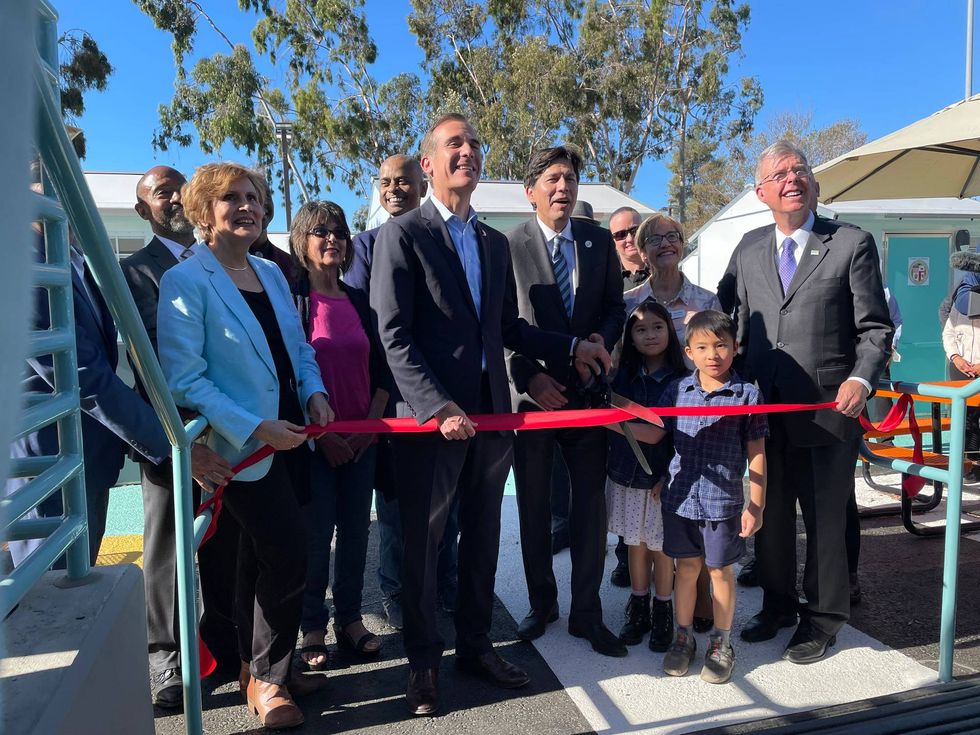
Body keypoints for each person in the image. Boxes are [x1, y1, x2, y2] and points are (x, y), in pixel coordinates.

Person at [370, 114, 611, 716]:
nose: (468, 152)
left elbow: (507, 329)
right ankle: (424, 665)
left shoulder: (492, 243)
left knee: (481, 538)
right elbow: (392, 335)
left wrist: (570, 347)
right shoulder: (402, 235)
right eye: (455, 144)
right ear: (427, 163)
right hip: (431, 424)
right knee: (425, 551)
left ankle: (475, 647)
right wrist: (435, 405)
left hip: (491, 422)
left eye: (474, 144)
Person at [158, 162, 333, 729]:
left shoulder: (273, 274)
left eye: (254, 197)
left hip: (291, 438)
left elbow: (298, 350)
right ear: (204, 209)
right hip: (242, 450)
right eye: (231, 197)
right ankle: (269, 678)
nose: (247, 206)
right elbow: (185, 379)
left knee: (259, 559)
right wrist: (258, 427)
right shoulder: (186, 280)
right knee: (285, 555)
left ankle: (259, 667)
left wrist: (315, 393)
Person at [732, 141, 892, 664]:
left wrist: (861, 381)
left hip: (829, 411)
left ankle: (822, 618)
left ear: (815, 185)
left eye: (799, 170)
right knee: (770, 515)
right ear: (761, 193)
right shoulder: (748, 249)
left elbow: (875, 328)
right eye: (778, 174)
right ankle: (776, 604)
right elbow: (729, 321)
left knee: (825, 519)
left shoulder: (851, 243)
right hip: (763, 411)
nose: (791, 179)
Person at [121, 165, 239, 706]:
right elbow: (151, 362)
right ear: (143, 210)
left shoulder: (221, 265)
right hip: (171, 437)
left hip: (230, 435)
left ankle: (224, 647)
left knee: (226, 544)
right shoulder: (134, 272)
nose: (173, 198)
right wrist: (181, 442)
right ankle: (168, 662)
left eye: (179, 189)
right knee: (169, 546)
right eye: (160, 193)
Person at [507, 145, 627, 657]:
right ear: (530, 190)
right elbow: (503, 327)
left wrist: (596, 345)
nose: (563, 188)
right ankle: (543, 603)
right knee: (534, 506)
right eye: (553, 179)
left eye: (571, 178)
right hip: (535, 398)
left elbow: (614, 310)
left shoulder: (600, 244)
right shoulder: (506, 246)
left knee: (588, 509)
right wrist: (529, 380)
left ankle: (586, 613)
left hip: (589, 396)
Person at [345, 154, 457, 630]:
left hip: (445, 396)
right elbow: (371, 327)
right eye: (386, 182)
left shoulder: (445, 238)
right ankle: (394, 589)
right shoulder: (365, 246)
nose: (394, 189)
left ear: (422, 183)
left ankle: (444, 584)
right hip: (389, 400)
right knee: (394, 510)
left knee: (446, 505)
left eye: (404, 182)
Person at [289, 200, 389, 669]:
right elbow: (287, 376)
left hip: (363, 442)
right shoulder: (293, 302)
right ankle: (312, 625)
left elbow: (383, 371)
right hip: (315, 446)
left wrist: (369, 428)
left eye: (340, 232)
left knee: (355, 536)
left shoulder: (361, 302)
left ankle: (349, 619)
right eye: (320, 232)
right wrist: (320, 437)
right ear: (302, 241)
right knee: (314, 537)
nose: (332, 239)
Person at [654, 310, 768, 684]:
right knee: (685, 569)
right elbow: (659, 439)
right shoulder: (676, 390)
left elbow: (756, 451)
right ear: (688, 352)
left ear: (735, 347)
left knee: (720, 570)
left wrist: (756, 502)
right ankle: (683, 635)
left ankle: (722, 642)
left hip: (723, 502)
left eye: (721, 345)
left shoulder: (748, 394)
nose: (713, 354)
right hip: (680, 499)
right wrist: (610, 418)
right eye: (702, 347)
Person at [606, 300, 687, 653]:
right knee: (635, 545)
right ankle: (638, 606)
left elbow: (659, 434)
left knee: (661, 548)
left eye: (657, 326)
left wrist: (597, 420)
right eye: (640, 329)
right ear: (630, 337)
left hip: (661, 479)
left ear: (670, 330)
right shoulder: (622, 377)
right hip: (625, 475)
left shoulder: (683, 381)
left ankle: (663, 610)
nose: (650, 334)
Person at [624, 213, 722, 336]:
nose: (665, 244)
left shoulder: (707, 302)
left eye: (672, 236)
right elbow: (618, 354)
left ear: (681, 244)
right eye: (654, 239)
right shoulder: (628, 304)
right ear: (643, 253)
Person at [249, 179, 300, 291]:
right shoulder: (221, 264)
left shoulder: (292, 266)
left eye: (267, 196)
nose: (264, 205)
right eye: (253, 198)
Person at [610, 206, 649, 291]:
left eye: (635, 231)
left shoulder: (662, 271)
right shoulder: (606, 279)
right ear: (612, 241)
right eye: (620, 234)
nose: (629, 239)